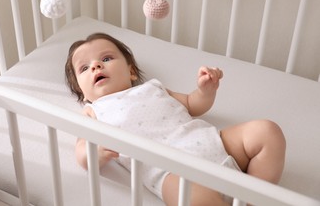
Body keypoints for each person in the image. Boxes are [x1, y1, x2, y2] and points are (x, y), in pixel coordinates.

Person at [65, 32, 286, 206]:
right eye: (85, 68)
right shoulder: (93, 111)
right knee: (191, 199)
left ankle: (254, 199)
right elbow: (81, 150)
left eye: (106, 58)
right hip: (171, 172)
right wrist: (93, 154)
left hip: (215, 143)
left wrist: (205, 91)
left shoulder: (153, 87)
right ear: (81, 90)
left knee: (267, 131)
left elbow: (192, 104)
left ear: (131, 71)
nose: (96, 66)